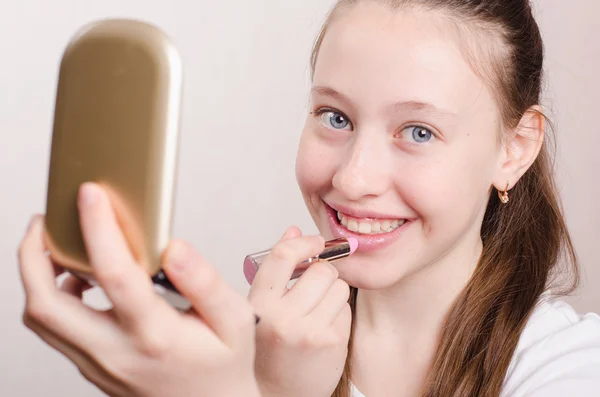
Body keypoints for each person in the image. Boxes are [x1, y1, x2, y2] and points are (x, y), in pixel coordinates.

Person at [18, 0, 600, 396]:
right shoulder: (255, 344)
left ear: (515, 149)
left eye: (418, 131)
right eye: (335, 116)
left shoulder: (571, 367)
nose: (352, 179)